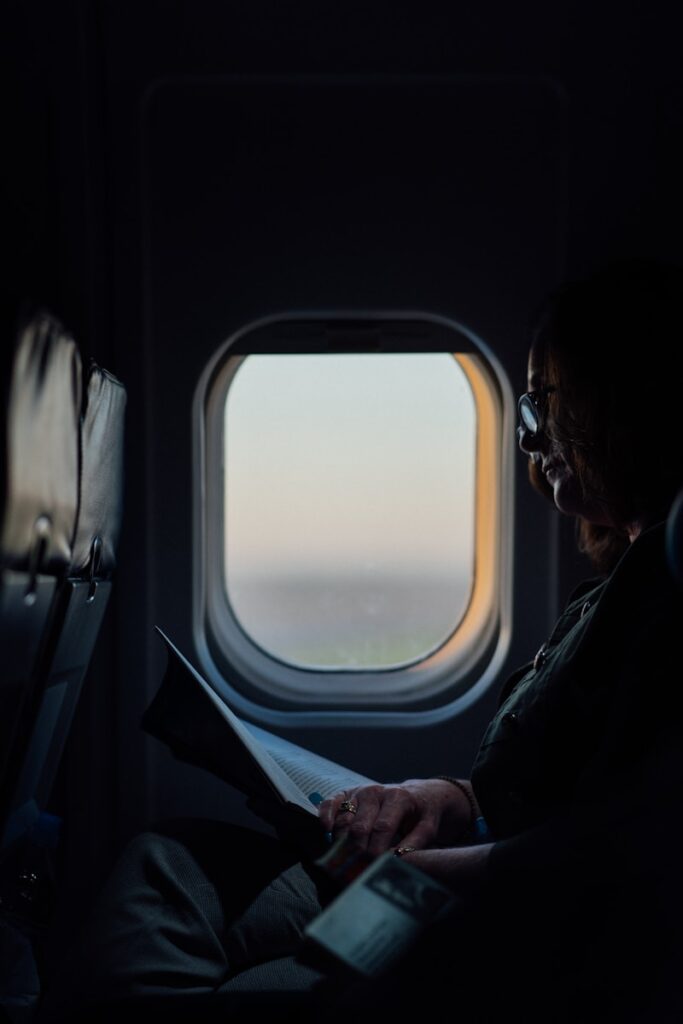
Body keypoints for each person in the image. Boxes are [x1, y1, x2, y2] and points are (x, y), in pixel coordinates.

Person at [39, 260, 683, 1023]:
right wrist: (439, 798)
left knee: (214, 974)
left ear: (615, 402)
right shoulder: (611, 594)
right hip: (457, 867)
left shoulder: (665, 599)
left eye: (543, 400)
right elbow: (553, 782)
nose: (527, 433)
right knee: (166, 861)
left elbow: (624, 840)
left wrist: (421, 873)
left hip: (507, 916)